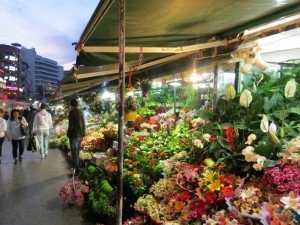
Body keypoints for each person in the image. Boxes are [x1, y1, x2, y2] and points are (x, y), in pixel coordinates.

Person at [67, 99, 86, 175]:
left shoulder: (71, 112)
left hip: (74, 135)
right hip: (80, 134)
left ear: (71, 104)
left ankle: (76, 170)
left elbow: (71, 125)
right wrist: (84, 132)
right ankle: (79, 166)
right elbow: (83, 123)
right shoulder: (81, 112)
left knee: (74, 152)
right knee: (77, 151)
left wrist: (68, 133)